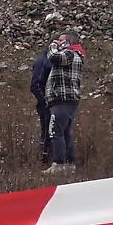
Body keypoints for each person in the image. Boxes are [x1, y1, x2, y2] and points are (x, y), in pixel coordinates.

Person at [44, 31, 86, 173]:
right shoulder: (76, 55)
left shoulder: (69, 54)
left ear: (69, 42)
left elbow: (53, 56)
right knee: (66, 132)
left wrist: (53, 45)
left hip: (61, 98)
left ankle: (59, 164)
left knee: (56, 131)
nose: (58, 42)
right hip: (68, 99)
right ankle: (69, 163)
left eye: (61, 40)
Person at [29, 46, 52, 165]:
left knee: (51, 132)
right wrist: (45, 101)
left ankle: (48, 158)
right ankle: (43, 160)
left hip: (51, 102)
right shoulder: (43, 61)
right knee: (47, 132)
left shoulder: (49, 60)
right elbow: (34, 85)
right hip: (46, 104)